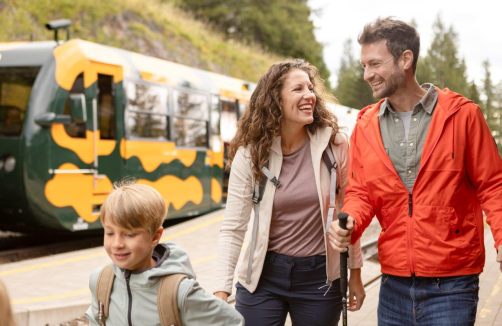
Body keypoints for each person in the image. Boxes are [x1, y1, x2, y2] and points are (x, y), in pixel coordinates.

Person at [329, 17, 502, 326]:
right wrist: (351, 221)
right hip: (393, 284)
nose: (367, 75)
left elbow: (493, 185)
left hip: (452, 284)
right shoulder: (366, 125)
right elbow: (360, 192)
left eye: (375, 64)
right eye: (363, 66)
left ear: (405, 59)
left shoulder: (462, 116)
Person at [214, 58, 365, 326]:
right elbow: (233, 228)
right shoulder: (250, 154)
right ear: (275, 100)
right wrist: (220, 292)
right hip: (263, 277)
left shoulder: (335, 146)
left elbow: (348, 213)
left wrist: (355, 274)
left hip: (320, 280)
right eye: (298, 90)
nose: (310, 96)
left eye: (311, 88)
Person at [85, 181, 244, 326]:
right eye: (110, 233)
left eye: (130, 235)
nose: (117, 244)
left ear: (155, 236)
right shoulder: (101, 281)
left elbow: (232, 322)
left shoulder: (180, 292)